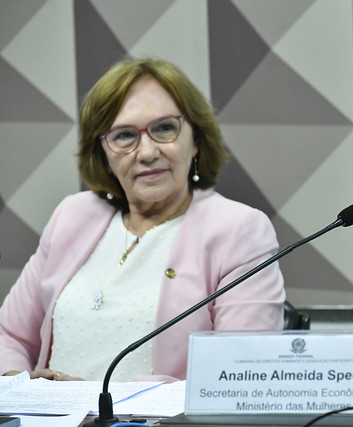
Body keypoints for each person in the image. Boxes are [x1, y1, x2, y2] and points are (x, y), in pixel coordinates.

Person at [0, 58, 286, 382]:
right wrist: (19, 386)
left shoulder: (238, 231)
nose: (147, 152)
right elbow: (9, 336)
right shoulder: (71, 216)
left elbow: (239, 377)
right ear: (104, 155)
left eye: (164, 128)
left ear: (196, 140)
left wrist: (98, 403)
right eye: (124, 135)